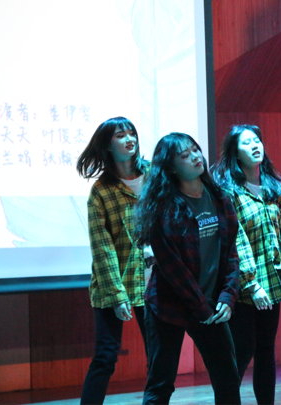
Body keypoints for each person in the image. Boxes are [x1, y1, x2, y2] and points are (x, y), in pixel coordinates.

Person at [135, 132, 241, 405]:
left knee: (228, 380)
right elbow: (174, 271)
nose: (195, 157)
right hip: (169, 307)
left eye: (195, 150)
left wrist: (227, 296)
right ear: (171, 167)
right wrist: (203, 309)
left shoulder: (219, 197)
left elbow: (230, 252)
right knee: (161, 385)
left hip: (211, 304)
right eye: (185, 155)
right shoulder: (163, 208)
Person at [212, 124, 281, 405]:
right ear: (235, 153)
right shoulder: (228, 191)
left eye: (257, 140)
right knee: (242, 351)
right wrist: (251, 283)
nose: (255, 145)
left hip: (271, 283)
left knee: (266, 352)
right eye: (247, 143)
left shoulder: (274, 189)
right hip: (242, 285)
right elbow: (236, 239)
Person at [76, 117, 150, 405]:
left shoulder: (155, 175)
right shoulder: (102, 190)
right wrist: (118, 296)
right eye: (121, 135)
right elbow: (102, 247)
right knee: (106, 356)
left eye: (132, 133)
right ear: (108, 145)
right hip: (113, 283)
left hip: (154, 281)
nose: (129, 139)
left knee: (159, 356)